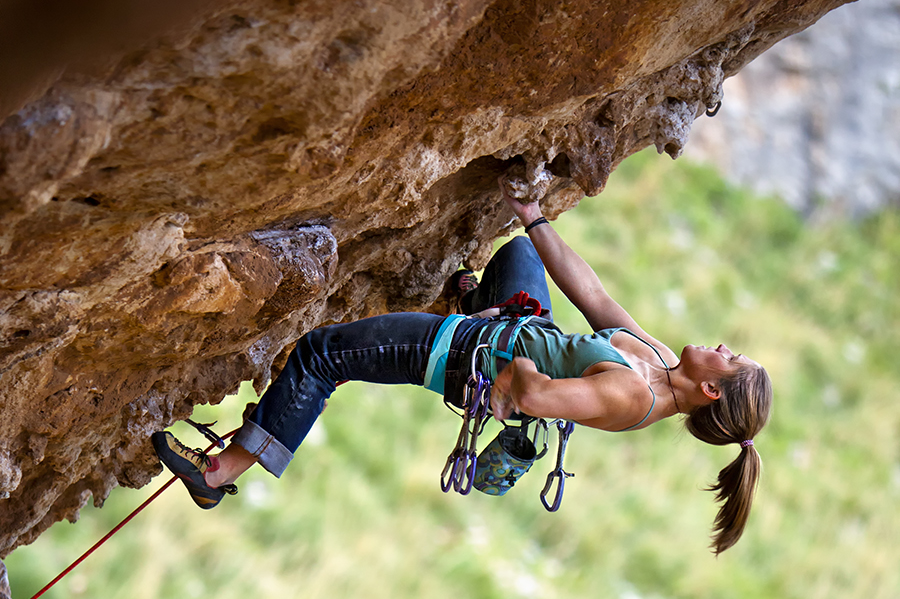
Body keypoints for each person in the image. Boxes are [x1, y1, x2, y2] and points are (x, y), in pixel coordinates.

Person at [153, 181, 772, 553]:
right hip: (514, 331)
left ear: (712, 388)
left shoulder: (629, 397)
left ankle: (222, 472)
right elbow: (599, 300)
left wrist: (518, 361)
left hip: (458, 356)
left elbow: (533, 398)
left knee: (323, 354)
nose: (721, 344)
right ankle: (485, 297)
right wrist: (534, 215)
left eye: (730, 356)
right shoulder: (658, 361)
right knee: (522, 253)